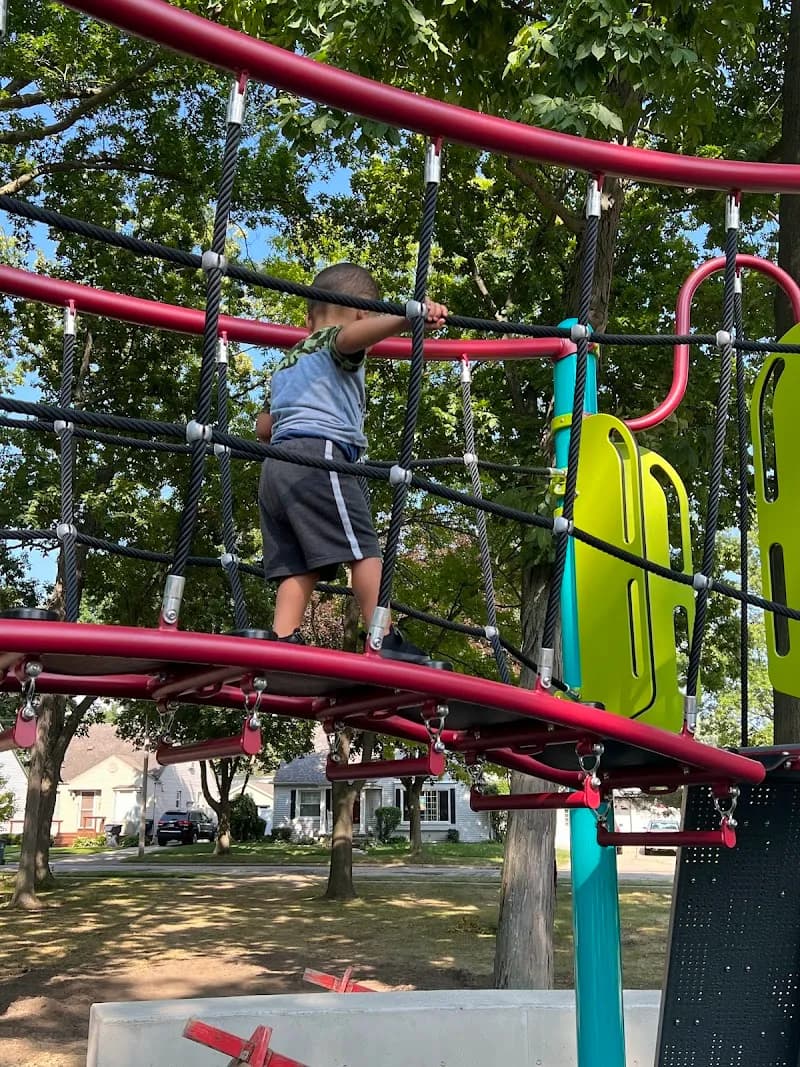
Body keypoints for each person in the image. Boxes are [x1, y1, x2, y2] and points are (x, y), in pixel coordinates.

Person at [256, 262, 448, 663]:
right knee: (364, 550)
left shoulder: (289, 360)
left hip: (276, 466)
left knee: (298, 565)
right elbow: (348, 339)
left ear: (308, 318)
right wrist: (409, 315)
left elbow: (263, 427)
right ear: (364, 314)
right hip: (320, 458)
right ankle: (382, 637)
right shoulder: (336, 341)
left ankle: (282, 637)